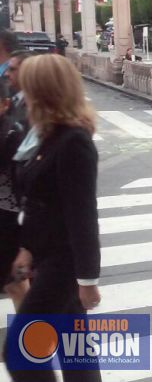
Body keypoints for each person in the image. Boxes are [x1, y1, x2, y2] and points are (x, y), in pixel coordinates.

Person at [6, 55, 102, 382]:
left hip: (65, 262)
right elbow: (39, 203)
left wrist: (88, 280)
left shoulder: (73, 141)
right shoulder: (45, 134)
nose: (20, 91)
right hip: (47, 256)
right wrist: (29, 249)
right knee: (74, 350)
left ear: (44, 90)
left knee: (20, 352)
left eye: (27, 85)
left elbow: (82, 215)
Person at [0, 51, 33, 309]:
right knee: (14, 282)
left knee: (16, 281)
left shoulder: (14, 127)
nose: (7, 74)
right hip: (10, 213)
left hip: (13, 214)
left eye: (12, 69)